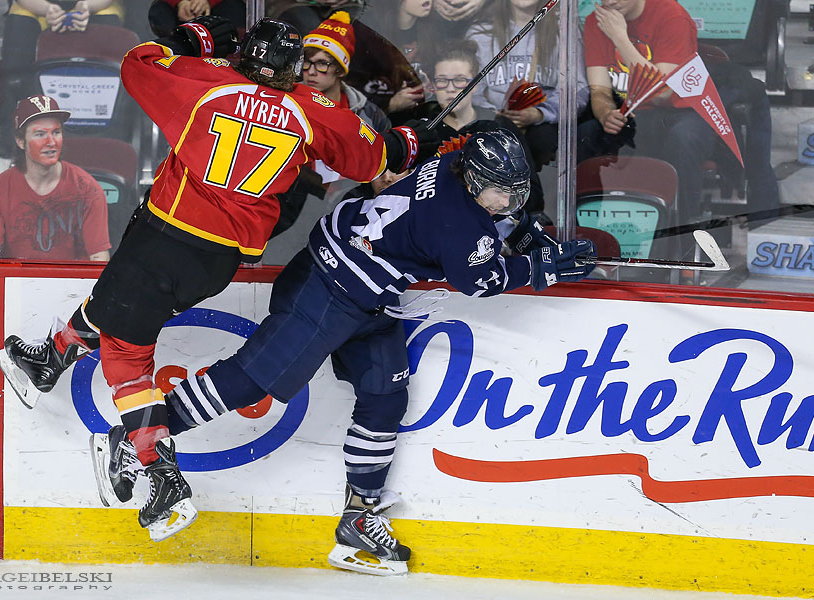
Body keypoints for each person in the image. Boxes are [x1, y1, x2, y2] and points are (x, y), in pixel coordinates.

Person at [0, 15, 439, 542]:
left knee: (126, 352)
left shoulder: (208, 83)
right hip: (219, 261)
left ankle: (160, 477)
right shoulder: (310, 108)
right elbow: (370, 158)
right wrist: (407, 142)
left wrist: (192, 42)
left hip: (167, 236)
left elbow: (137, 65)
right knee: (117, 302)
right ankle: (50, 358)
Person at [91, 129, 597, 574]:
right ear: (473, 181)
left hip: (364, 286)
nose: (507, 202)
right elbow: (479, 279)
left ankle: (359, 517)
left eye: (515, 194)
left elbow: (484, 222)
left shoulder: (453, 160)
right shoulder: (458, 224)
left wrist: (520, 229)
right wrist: (541, 267)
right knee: (252, 378)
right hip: (329, 289)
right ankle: (140, 436)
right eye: (501, 194)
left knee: (384, 393)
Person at [577, 0, 717, 227]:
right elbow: (600, 90)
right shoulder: (597, 21)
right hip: (633, 114)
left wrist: (620, 38)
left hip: (680, 112)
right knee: (586, 134)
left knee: (683, 139)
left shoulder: (672, 16)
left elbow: (661, 92)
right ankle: (587, 232)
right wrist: (605, 114)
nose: (610, 1)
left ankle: (686, 236)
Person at [0, 0, 123, 171]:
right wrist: (46, 9)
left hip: (95, 7)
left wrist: (87, 7)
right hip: (36, 7)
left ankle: (108, 141)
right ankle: (12, 144)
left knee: (108, 26)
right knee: (19, 29)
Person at [0, 95, 111, 261]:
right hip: (17, 284)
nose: (51, 142)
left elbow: (99, 258)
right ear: (20, 141)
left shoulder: (87, 189)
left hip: (74, 285)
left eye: (56, 132)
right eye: (40, 134)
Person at [428, 38, 546, 217]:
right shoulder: (424, 129)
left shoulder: (498, 126)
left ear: (474, 85)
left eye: (460, 80)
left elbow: (533, 196)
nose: (451, 88)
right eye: (442, 80)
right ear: (433, 85)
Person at [467, 0, 589, 171]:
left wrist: (540, 114)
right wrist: (491, 112)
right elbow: (468, 89)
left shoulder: (565, 32)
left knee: (543, 140)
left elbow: (578, 90)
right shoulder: (480, 33)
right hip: (491, 125)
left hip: (543, 134)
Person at [302, 11, 391, 183]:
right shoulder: (289, 106)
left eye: (321, 64)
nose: (311, 72)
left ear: (341, 69)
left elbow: (383, 163)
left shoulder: (369, 115)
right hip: (301, 204)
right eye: (307, 62)